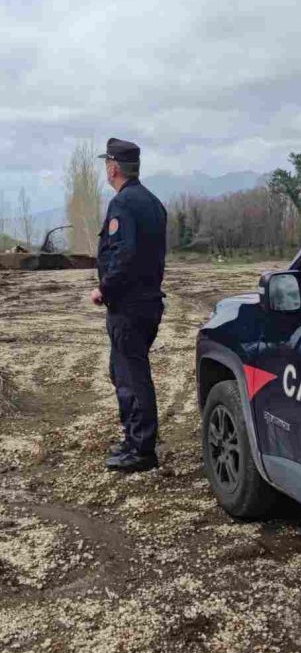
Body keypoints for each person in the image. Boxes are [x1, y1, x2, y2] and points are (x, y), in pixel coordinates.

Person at [90, 138, 167, 473]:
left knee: (131, 376)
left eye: (107, 164)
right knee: (121, 371)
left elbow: (124, 255)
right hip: (149, 303)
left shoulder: (123, 204)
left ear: (113, 167)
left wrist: (104, 289)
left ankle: (141, 449)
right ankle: (134, 438)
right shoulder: (152, 202)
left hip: (129, 306)